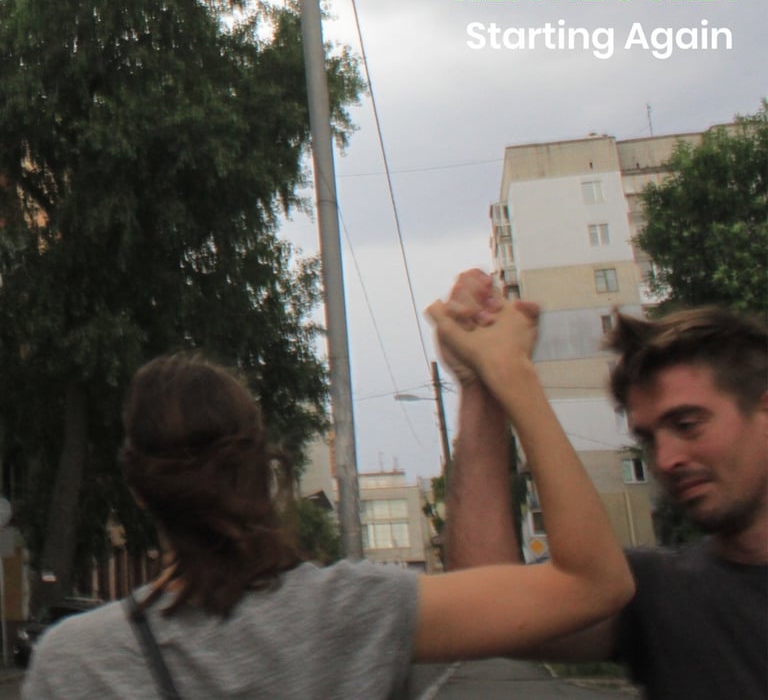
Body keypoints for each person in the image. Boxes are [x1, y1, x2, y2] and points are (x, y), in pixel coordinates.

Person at [23, 295, 634, 700]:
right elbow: (595, 583)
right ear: (265, 471)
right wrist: (504, 372)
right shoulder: (361, 612)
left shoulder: (74, 663)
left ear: (139, 490)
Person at [442, 268, 768, 700]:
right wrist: (481, 380)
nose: (665, 459)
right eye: (648, 439)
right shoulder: (655, 592)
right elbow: (487, 604)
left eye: (688, 424)